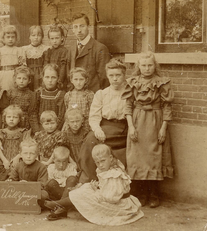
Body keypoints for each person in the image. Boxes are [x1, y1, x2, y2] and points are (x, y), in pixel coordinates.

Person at [123, 51, 174, 208]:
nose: (147, 68)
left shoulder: (162, 83)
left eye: (150, 65)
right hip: (137, 122)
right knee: (137, 157)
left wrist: (163, 129)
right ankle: (141, 194)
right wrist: (131, 126)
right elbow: (128, 105)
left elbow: (167, 107)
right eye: (143, 65)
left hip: (155, 121)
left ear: (155, 66)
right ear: (138, 66)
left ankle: (153, 194)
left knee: (154, 157)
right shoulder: (132, 82)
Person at [46, 144, 144, 226]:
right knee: (84, 188)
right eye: (97, 162)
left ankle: (57, 204)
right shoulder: (105, 170)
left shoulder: (114, 174)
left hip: (118, 204)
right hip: (109, 196)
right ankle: (60, 204)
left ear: (110, 158)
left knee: (85, 193)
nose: (100, 165)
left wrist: (96, 191)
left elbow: (112, 197)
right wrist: (96, 186)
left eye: (103, 161)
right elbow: (105, 186)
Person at [78, 59, 128, 183]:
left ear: (124, 75)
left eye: (118, 75)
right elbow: (94, 116)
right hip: (105, 127)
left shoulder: (130, 93)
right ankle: (90, 180)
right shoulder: (101, 94)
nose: (115, 79)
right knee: (90, 141)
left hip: (124, 129)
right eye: (111, 75)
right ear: (107, 76)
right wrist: (97, 129)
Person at [67, 13, 111, 92]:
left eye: (82, 26)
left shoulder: (100, 48)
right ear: (73, 29)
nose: (79, 30)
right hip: (76, 96)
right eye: (75, 27)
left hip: (94, 96)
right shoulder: (71, 48)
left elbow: (104, 78)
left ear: (88, 27)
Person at [7, 139, 49, 205]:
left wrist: (28, 185)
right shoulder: (17, 166)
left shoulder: (41, 167)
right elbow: (12, 179)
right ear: (20, 154)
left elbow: (42, 184)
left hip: (34, 192)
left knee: (44, 194)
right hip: (19, 191)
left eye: (32, 153)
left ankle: (34, 205)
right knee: (2, 192)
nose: (28, 156)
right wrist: (11, 181)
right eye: (25, 153)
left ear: (37, 154)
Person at [0, 25, 26, 91]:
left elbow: (23, 66)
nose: (10, 39)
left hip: (15, 75)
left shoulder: (19, 50)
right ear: (3, 38)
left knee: (15, 92)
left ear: (16, 38)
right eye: (8, 37)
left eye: (13, 37)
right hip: (3, 75)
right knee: (4, 92)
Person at [7, 66, 39, 134]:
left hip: (25, 125)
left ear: (29, 80)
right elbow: (5, 112)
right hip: (12, 122)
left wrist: (36, 131)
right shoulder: (10, 93)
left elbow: (33, 114)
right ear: (15, 79)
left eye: (24, 79)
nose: (21, 81)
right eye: (19, 78)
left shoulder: (32, 95)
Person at [0, 105, 30, 169]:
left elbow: (26, 147)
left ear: (20, 119)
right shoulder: (1, 132)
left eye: (15, 117)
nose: (11, 119)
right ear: (5, 118)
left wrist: (17, 158)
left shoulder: (23, 132)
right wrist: (4, 160)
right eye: (9, 117)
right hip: (3, 160)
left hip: (19, 159)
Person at [36, 64, 66, 130]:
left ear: (58, 78)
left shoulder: (61, 94)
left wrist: (54, 129)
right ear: (42, 78)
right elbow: (34, 114)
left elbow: (61, 116)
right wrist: (38, 130)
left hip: (55, 129)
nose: (50, 80)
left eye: (53, 77)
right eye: (47, 77)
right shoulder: (38, 93)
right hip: (40, 129)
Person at [22, 25, 51, 91]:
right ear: (29, 36)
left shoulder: (45, 49)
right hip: (29, 74)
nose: (36, 37)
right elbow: (23, 65)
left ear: (42, 37)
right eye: (33, 35)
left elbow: (46, 63)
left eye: (39, 35)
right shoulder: (24, 49)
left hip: (41, 73)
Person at [43, 25, 68, 89]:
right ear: (49, 39)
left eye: (57, 38)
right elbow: (45, 66)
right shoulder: (48, 51)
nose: (54, 41)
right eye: (52, 38)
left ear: (62, 38)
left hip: (59, 80)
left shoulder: (64, 51)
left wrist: (60, 81)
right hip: (50, 79)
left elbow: (63, 67)